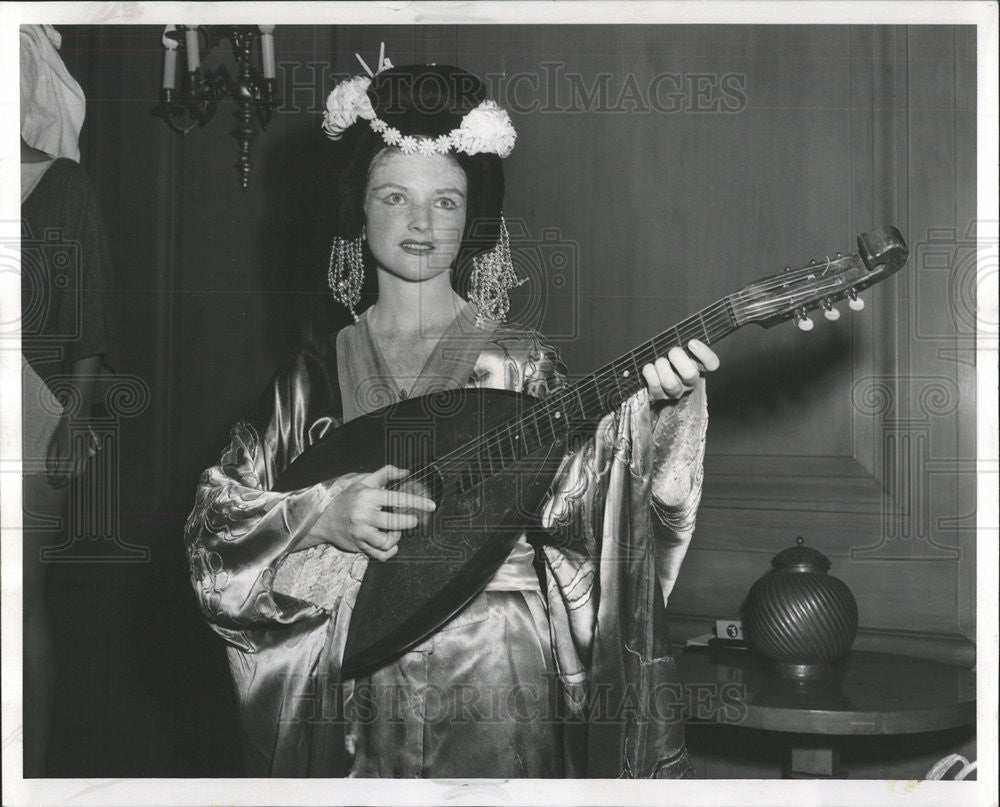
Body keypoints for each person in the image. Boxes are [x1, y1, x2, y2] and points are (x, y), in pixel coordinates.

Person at [184, 52, 719, 778]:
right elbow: (217, 526)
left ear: (474, 216)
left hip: (500, 674)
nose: (420, 222)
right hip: (353, 678)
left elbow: (597, 514)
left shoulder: (522, 365)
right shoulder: (307, 382)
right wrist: (320, 514)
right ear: (357, 207)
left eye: (446, 200)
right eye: (393, 196)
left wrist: (660, 408)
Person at [20, 24, 113, 776]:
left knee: (19, 604)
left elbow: (89, 325)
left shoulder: (63, 184)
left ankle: (26, 771)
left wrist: (74, 422)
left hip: (31, 411)